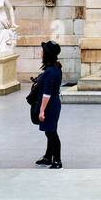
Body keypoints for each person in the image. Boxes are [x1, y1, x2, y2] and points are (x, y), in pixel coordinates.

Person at [34, 40, 63, 169]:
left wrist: (42, 110)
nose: (41, 52)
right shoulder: (53, 68)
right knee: (49, 131)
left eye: (43, 50)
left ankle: (57, 160)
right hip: (52, 104)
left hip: (50, 105)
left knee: (51, 133)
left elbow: (47, 93)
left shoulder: (51, 71)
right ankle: (48, 157)